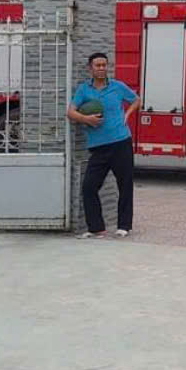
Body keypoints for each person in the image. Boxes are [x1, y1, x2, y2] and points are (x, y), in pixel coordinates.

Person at [67, 51, 140, 239]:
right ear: (90, 68)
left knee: (125, 185)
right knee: (89, 187)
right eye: (97, 65)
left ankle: (124, 226)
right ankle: (96, 228)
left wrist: (127, 114)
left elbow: (136, 100)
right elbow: (71, 112)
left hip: (121, 142)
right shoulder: (84, 90)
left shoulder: (117, 86)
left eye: (104, 65)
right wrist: (86, 119)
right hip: (98, 147)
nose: (101, 68)